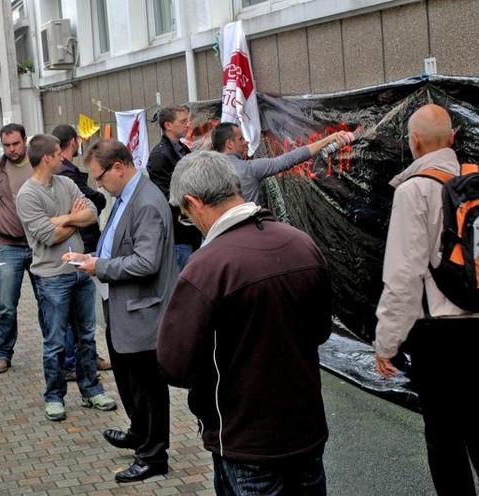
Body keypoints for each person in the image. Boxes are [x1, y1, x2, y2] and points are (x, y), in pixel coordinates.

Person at [157, 151, 332, 495]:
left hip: (245, 439)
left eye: (186, 214)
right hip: (306, 429)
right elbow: (320, 330)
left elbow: (174, 365)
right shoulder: (302, 243)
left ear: (194, 203)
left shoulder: (206, 267)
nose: (190, 221)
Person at [374, 104, 479, 495]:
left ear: (414, 143)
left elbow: (403, 277)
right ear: (453, 139)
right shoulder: (477, 179)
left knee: (446, 441)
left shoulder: (414, 189)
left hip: (442, 337)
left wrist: (387, 343)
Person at [63, 139, 177, 483]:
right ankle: (139, 433)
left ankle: (154, 454)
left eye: (99, 177)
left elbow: (146, 262)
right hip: (123, 307)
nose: (98, 185)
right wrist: (94, 260)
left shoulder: (147, 203)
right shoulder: (127, 195)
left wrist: (100, 267)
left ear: (119, 167)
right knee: (130, 381)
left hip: (142, 312)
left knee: (148, 387)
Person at [15, 134, 116, 421]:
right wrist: (72, 218)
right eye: (59, 153)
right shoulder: (27, 195)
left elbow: (93, 212)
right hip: (52, 277)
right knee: (55, 341)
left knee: (86, 336)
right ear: (47, 157)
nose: (63, 157)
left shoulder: (67, 183)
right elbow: (47, 237)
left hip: (80, 271)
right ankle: (54, 396)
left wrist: (61, 219)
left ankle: (91, 389)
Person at [51, 124, 111, 381]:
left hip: (80, 242)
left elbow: (88, 207)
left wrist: (80, 213)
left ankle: (82, 360)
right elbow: (96, 202)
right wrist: (80, 214)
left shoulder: (66, 174)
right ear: (73, 142)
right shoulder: (68, 175)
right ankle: (76, 362)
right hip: (80, 246)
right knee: (76, 314)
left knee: (80, 315)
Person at [0, 123, 43, 374]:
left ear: (25, 140)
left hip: (40, 244)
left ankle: (58, 351)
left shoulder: (39, 163)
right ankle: (3, 353)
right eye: (7, 145)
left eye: (16, 144)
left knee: (48, 300)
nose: (12, 149)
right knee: (7, 304)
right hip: (8, 246)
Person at [212, 122, 346, 205]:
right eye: (240, 139)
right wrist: (327, 140)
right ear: (229, 144)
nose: (246, 142)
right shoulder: (249, 169)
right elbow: (289, 159)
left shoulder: (204, 172)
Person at [147, 105, 202, 270]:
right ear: (168, 125)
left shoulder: (183, 149)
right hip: (178, 233)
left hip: (192, 227)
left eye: (188, 120)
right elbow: (164, 195)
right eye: (183, 121)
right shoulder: (159, 156)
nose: (188, 124)